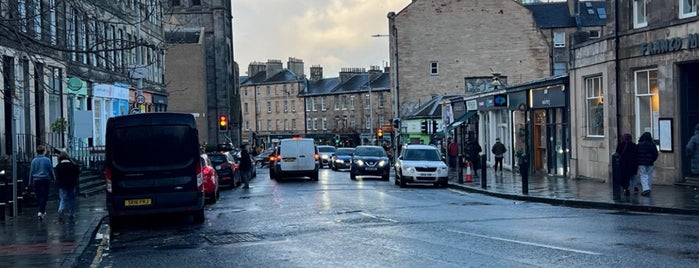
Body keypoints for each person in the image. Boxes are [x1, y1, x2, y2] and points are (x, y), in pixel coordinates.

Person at [28, 145, 56, 220]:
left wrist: (30, 182)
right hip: (44, 179)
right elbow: (50, 170)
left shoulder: (34, 160)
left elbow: (31, 172)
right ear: (44, 151)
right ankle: (41, 211)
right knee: (44, 196)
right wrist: (53, 178)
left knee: (39, 195)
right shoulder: (47, 160)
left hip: (36, 180)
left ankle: (42, 210)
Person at [54, 151, 80, 220]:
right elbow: (77, 173)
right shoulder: (73, 165)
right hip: (72, 184)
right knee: (72, 199)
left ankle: (61, 209)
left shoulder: (58, 166)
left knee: (63, 198)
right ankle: (71, 213)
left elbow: (57, 176)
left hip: (62, 185)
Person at [636, 132, 659, 196]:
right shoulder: (652, 144)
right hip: (650, 162)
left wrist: (638, 160)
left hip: (641, 163)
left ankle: (646, 189)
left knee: (643, 175)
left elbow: (636, 153)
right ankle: (649, 188)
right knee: (649, 175)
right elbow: (656, 154)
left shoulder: (639, 145)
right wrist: (652, 160)